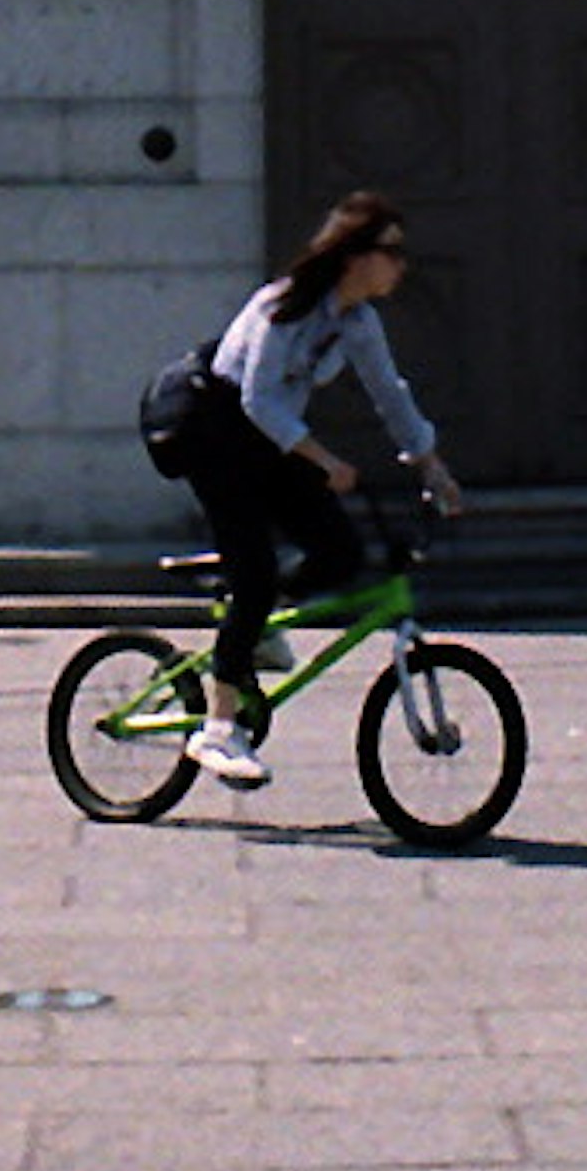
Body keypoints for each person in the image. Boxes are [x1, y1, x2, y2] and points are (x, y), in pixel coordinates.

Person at [171, 190, 463, 789]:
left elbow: (390, 392)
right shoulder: (285, 306)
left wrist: (430, 464)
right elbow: (255, 399)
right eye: (392, 252)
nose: (402, 265)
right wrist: (322, 458)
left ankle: (257, 625)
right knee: (253, 572)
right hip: (219, 435)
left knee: (341, 552)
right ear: (356, 256)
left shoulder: (357, 320)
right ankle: (218, 729)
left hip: (274, 440)